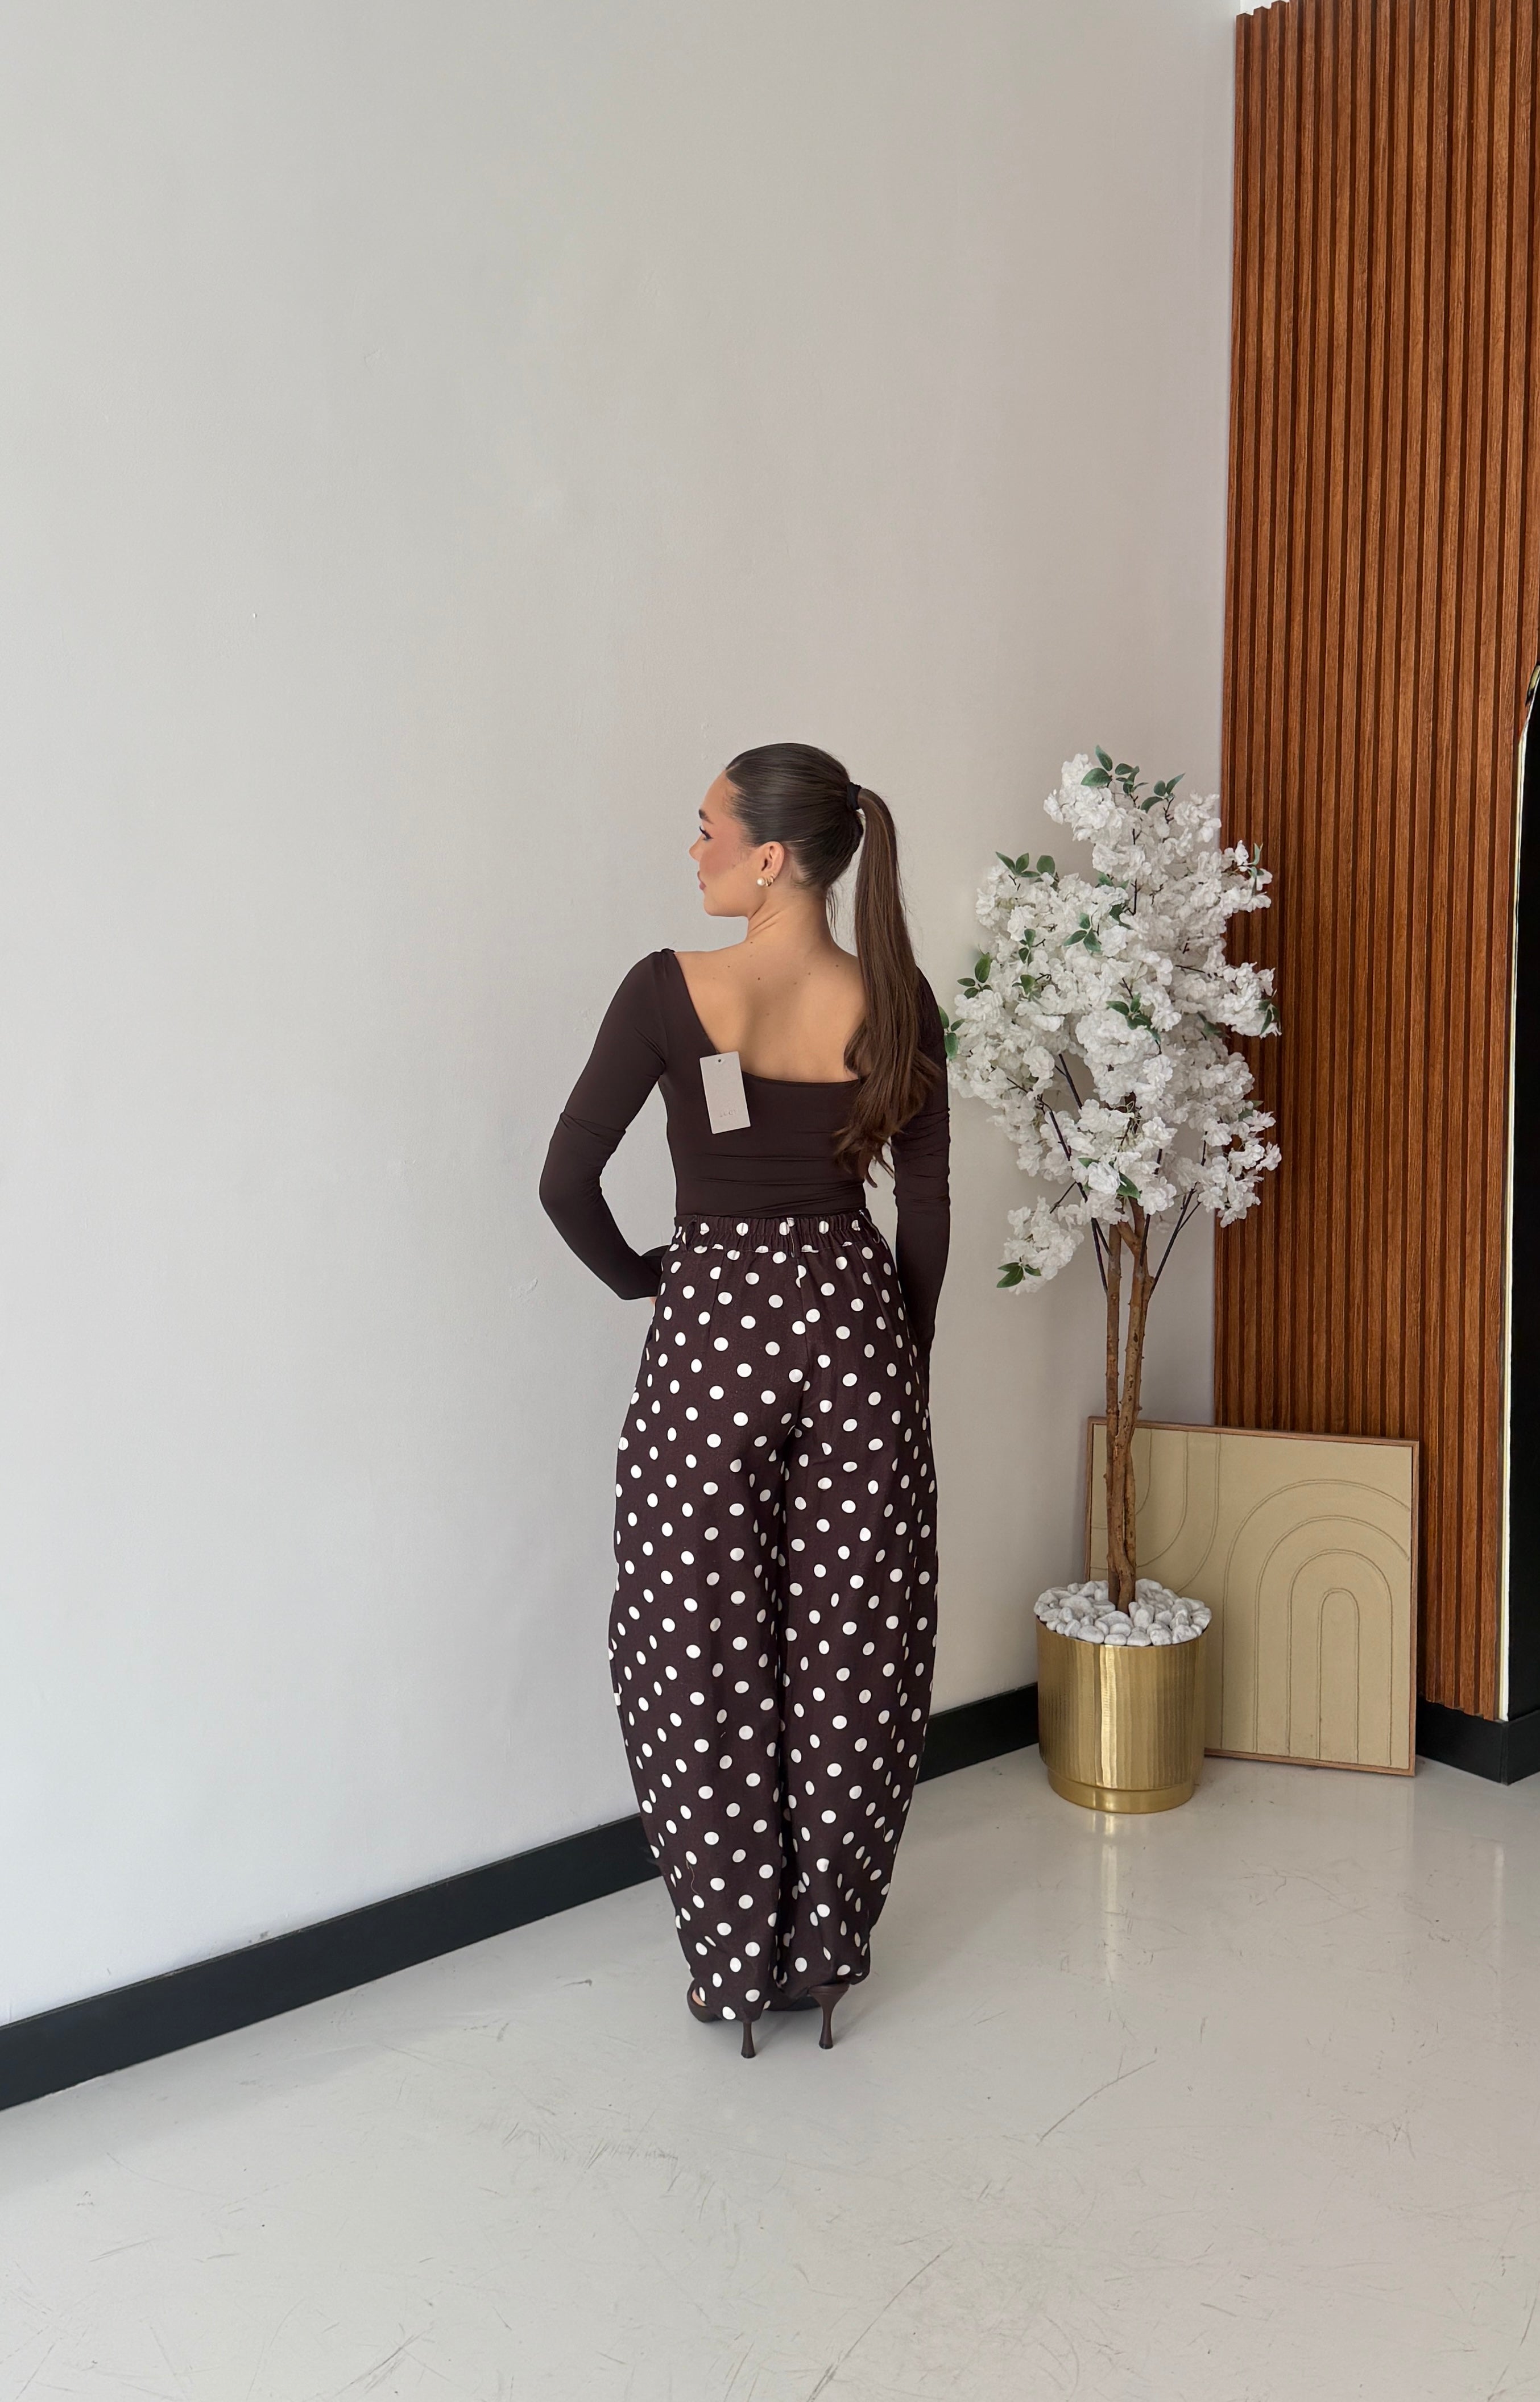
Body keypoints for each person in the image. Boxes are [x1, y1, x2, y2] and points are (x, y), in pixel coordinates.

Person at [539, 742, 949, 2056]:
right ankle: (823, 1956)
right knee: (855, 1644)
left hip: (712, 1331)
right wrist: (899, 1367)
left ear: (769, 857)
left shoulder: (668, 990)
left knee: (692, 1640)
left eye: (707, 828)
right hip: (855, 1328)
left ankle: (730, 1959)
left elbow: (564, 1183)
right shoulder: (898, 996)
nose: (696, 850)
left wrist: (646, 1280)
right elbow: (927, 1212)